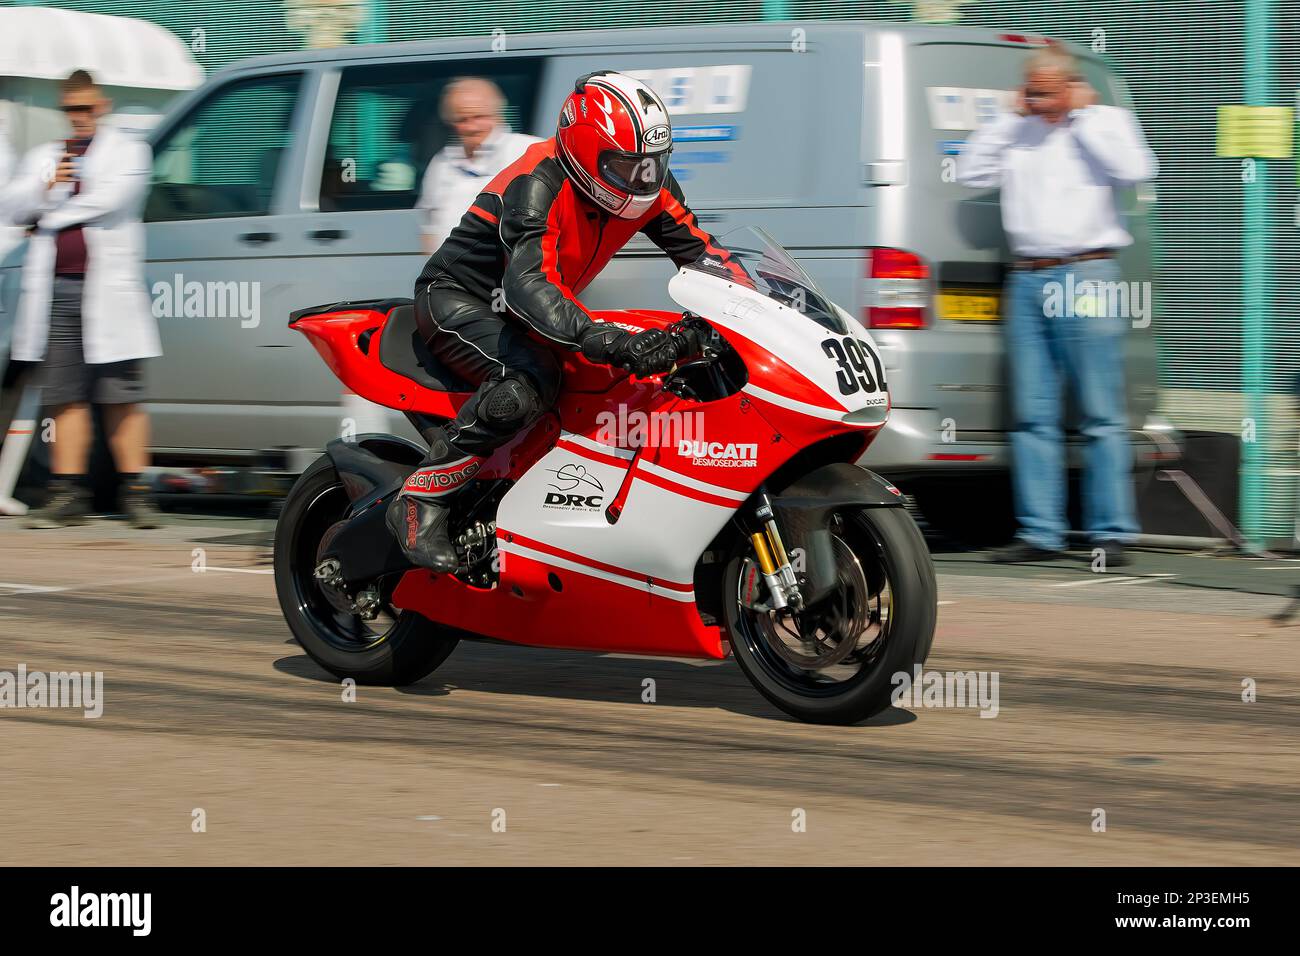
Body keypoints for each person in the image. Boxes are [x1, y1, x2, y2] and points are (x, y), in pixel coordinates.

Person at [388, 70, 739, 571]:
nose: (641, 179)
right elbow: (528, 285)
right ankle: (422, 497)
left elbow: (704, 255)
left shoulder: (645, 185)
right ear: (583, 150)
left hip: (525, 306)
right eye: (626, 165)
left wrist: (759, 308)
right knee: (531, 378)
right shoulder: (537, 183)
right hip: (459, 301)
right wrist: (604, 338)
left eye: (652, 166)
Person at [956, 46, 1157, 567]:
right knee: (1032, 415)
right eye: (1033, 90)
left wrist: (1084, 115)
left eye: (1050, 90)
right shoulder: (1015, 129)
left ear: (1071, 85)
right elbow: (970, 173)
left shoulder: (1106, 121)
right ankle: (1041, 532)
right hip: (1027, 278)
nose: (1041, 100)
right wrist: (1007, 117)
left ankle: (1111, 532)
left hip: (1086, 272)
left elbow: (1136, 168)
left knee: (1100, 413)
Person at [1, 70, 162, 529]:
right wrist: (47, 187)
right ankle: (66, 492)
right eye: (71, 109)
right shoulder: (45, 157)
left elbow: (110, 199)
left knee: (120, 394)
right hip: (55, 289)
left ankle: (136, 492)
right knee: (64, 395)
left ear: (103, 105)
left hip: (107, 291)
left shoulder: (130, 151)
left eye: (87, 108)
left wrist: (46, 213)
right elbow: (9, 206)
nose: (79, 117)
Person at [415, 77, 541, 255]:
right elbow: (429, 227)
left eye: (479, 117)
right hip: (454, 277)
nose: (471, 127)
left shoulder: (528, 151)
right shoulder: (442, 163)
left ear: (497, 114)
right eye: (462, 119)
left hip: (511, 277)